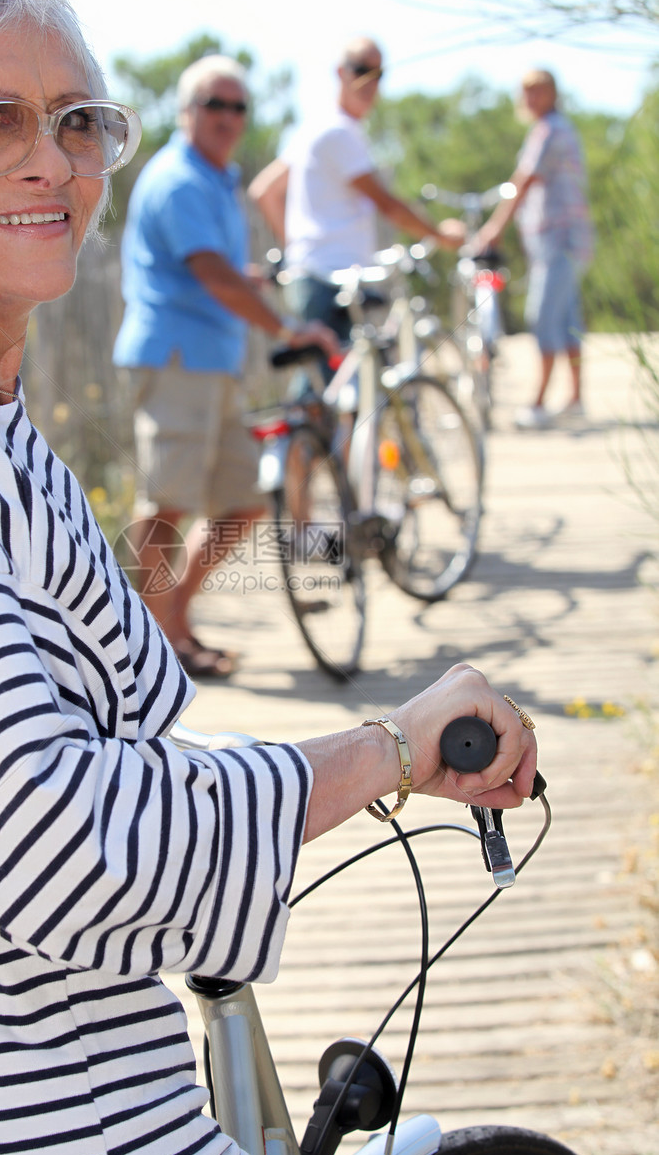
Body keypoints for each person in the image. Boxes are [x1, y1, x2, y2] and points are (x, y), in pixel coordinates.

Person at [0, 0, 537, 1155]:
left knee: (220, 514)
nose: (55, 162)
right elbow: (50, 842)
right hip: (13, 1142)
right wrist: (386, 753)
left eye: (81, 121)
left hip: (39, 1091)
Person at [113, 55, 337, 679]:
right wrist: (289, 325)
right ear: (186, 112)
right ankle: (145, 650)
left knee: (243, 500)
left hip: (214, 365)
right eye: (214, 104)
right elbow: (210, 274)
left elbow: (214, 268)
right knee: (165, 506)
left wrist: (254, 280)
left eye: (238, 106)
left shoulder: (216, 179)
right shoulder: (180, 181)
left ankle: (172, 624)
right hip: (177, 360)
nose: (228, 117)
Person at [248, 36, 463, 336]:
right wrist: (439, 236)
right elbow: (387, 205)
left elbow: (264, 191)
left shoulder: (317, 127)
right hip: (331, 280)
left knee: (328, 377)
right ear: (340, 72)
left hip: (317, 275)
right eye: (361, 70)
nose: (370, 82)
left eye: (378, 74)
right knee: (333, 375)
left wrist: (299, 251)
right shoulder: (339, 132)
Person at [471, 69, 594, 429]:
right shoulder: (556, 127)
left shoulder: (550, 131)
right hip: (562, 240)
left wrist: (493, 229)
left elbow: (521, 182)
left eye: (538, 92)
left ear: (553, 94)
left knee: (543, 317)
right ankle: (575, 398)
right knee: (568, 319)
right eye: (526, 92)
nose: (531, 99)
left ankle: (539, 403)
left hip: (561, 241)